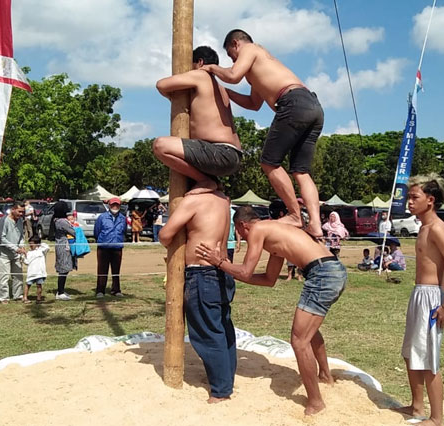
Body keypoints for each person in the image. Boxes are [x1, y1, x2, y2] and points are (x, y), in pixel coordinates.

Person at [196, 206, 346, 415]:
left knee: (299, 340)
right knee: (308, 330)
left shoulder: (258, 229)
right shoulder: (276, 237)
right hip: (332, 270)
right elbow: (269, 280)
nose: (245, 240)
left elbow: (247, 271)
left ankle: (315, 401)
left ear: (243, 226)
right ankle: (325, 375)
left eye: (241, 235)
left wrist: (219, 263)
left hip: (323, 274)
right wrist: (230, 271)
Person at [202, 29, 325, 239]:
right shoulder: (259, 70)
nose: (232, 60)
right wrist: (224, 93)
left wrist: (212, 68)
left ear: (235, 43)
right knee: (301, 171)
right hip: (312, 106)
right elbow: (254, 104)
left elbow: (232, 75)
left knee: (269, 163)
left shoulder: (251, 48)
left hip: (292, 102)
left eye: (232, 55)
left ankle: (296, 215)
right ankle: (315, 224)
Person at [396, 173, 444, 426]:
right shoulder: (423, 227)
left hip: (431, 298)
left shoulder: (436, 228)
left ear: (430, 200)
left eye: (414, 197)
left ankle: (437, 419)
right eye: (409, 197)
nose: (409, 202)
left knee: (429, 359)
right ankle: (416, 406)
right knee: (410, 353)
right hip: (419, 294)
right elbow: (441, 264)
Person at [159, 190, 236, 404]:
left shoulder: (193, 200)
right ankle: (226, 379)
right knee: (222, 327)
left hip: (201, 272)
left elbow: (165, 235)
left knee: (208, 332)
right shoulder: (223, 199)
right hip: (221, 269)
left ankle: (221, 390)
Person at [154, 46, 242, 194]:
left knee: (160, 145)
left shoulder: (201, 75)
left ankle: (205, 180)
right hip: (230, 154)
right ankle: (209, 181)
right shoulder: (219, 87)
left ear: (200, 63)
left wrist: (172, 99)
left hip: (220, 152)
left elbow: (161, 85)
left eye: (191, 66)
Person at [94, 197, 127, 297]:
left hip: (117, 247)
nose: (115, 206)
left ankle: (116, 290)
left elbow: (124, 231)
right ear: (109, 205)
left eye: (117, 204)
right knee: (102, 270)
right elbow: (96, 231)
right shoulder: (102, 217)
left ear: (120, 206)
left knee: (116, 270)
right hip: (103, 247)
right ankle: (100, 290)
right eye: (113, 204)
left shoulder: (123, 218)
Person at [0, 201, 25, 304]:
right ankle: (4, 297)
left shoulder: (20, 221)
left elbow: (21, 235)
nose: (21, 214)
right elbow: (1, 239)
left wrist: (21, 245)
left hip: (16, 253)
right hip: (3, 253)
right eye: (19, 211)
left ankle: (18, 295)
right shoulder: (4, 220)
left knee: (18, 275)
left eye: (22, 212)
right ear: (13, 209)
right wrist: (15, 248)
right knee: (4, 276)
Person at [52, 201, 76, 300]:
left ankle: (61, 290)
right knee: (63, 268)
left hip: (60, 244)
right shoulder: (62, 221)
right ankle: (60, 292)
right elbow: (72, 231)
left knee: (64, 267)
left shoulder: (56, 219)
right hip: (63, 246)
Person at [23, 235, 49, 304]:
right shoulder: (29, 253)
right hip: (31, 273)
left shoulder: (41, 251)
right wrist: (24, 255)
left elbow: (47, 247)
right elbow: (26, 262)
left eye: (32, 243)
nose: (30, 245)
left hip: (39, 273)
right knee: (28, 285)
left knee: (39, 285)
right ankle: (25, 297)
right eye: (30, 244)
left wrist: (39, 243)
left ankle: (38, 298)